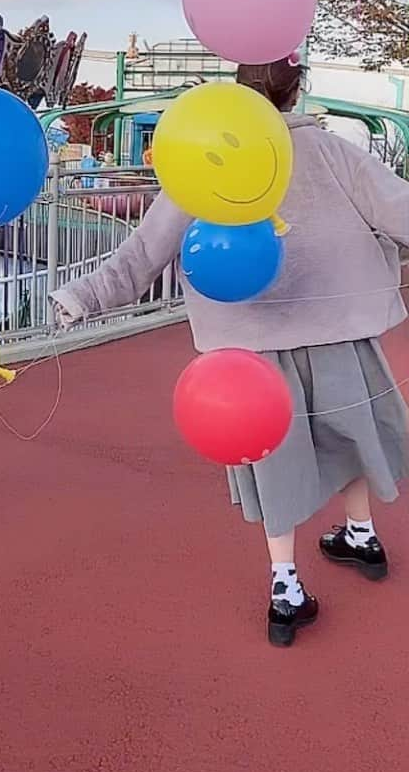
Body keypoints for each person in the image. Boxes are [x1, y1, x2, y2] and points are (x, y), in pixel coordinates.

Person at [51, 58, 409, 647]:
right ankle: (361, 534)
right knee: (349, 435)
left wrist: (81, 296)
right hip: (337, 327)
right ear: (297, 90)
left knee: (273, 458)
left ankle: (285, 585)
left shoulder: (208, 159)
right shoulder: (330, 151)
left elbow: (147, 251)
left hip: (249, 346)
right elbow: (397, 209)